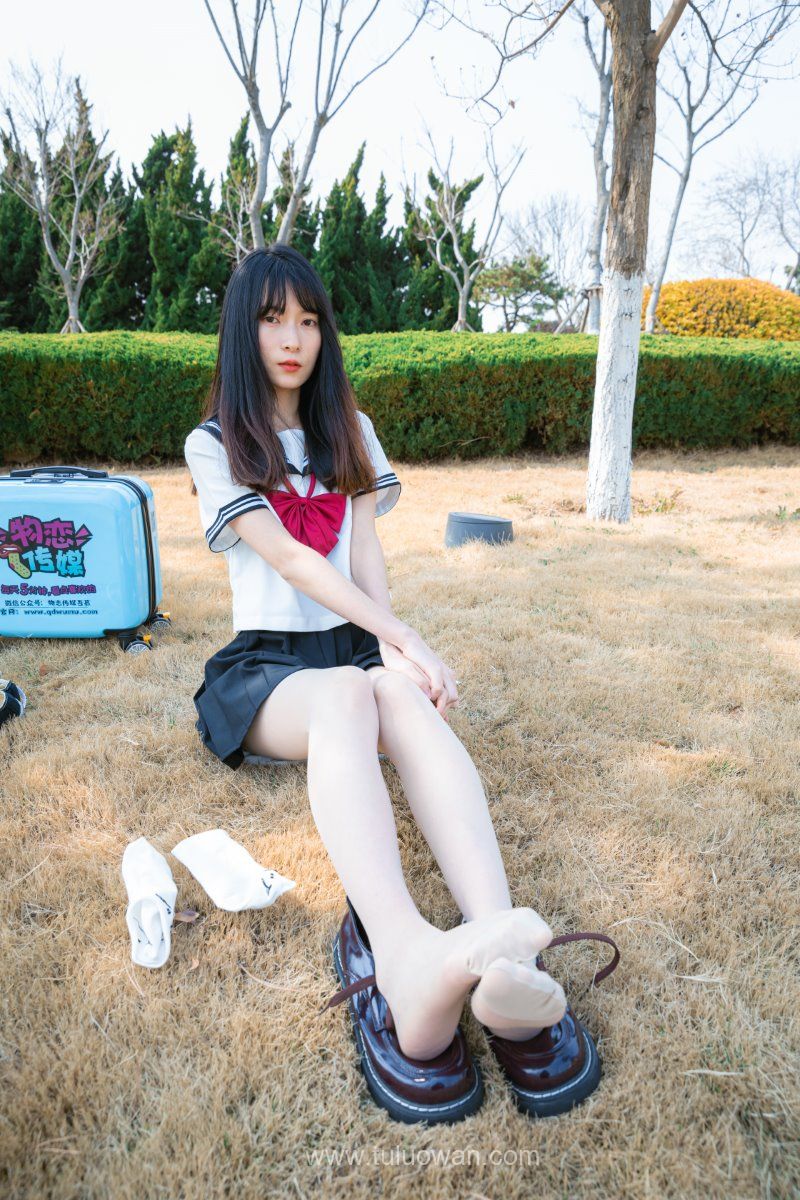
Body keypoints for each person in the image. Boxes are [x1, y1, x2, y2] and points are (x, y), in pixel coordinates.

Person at [183, 244, 576, 1082]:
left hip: (351, 649)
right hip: (272, 670)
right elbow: (292, 560)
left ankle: (506, 956)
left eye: (308, 320)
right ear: (243, 331)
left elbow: (364, 556)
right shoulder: (213, 443)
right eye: (272, 319)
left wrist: (395, 646)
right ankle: (403, 959)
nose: (294, 338)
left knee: (390, 696)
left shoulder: (350, 430)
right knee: (345, 696)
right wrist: (406, 640)